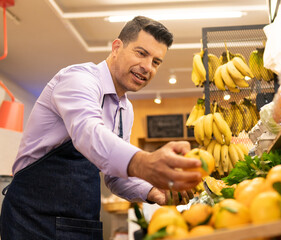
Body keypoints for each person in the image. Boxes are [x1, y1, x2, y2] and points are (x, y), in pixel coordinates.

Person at [0, 16, 202, 239]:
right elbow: (88, 133)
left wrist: (154, 192)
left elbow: (114, 177)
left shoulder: (126, 110)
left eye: (156, 62)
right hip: (32, 219)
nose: (147, 67)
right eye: (141, 53)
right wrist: (144, 162)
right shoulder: (78, 79)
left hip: (80, 223)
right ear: (117, 47)